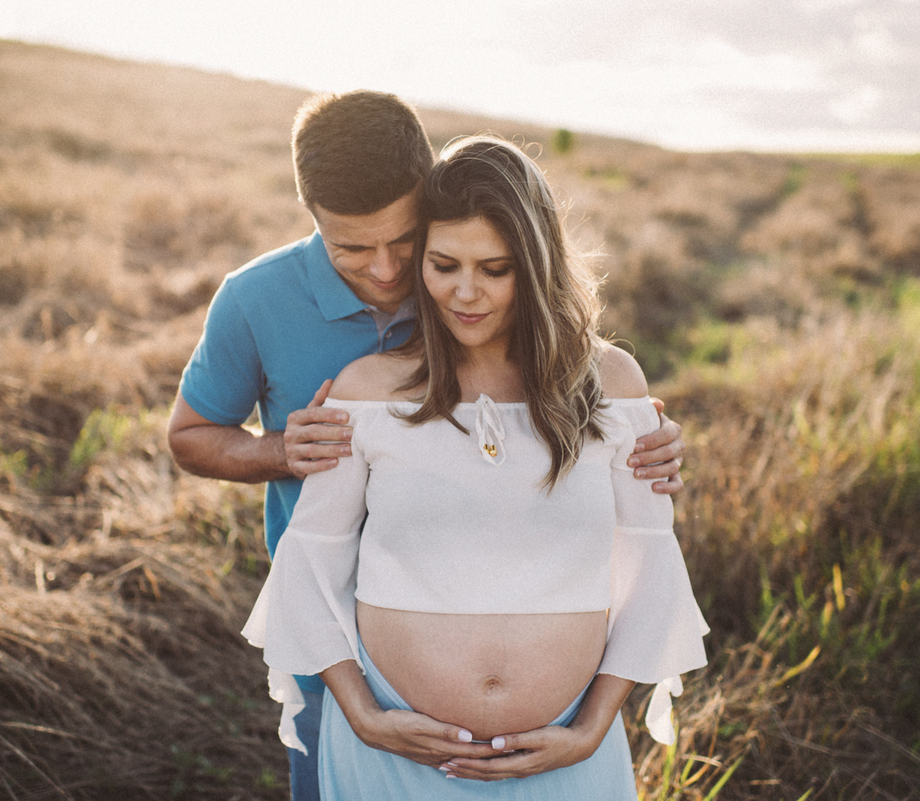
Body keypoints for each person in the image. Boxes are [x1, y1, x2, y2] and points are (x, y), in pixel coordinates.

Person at [169, 91, 687, 800]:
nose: (387, 272)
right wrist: (286, 451)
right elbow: (195, 443)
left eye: (405, 244)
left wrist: (650, 436)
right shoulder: (263, 305)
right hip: (351, 666)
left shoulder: (482, 289)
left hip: (560, 736)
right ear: (310, 213)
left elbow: (641, 542)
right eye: (352, 247)